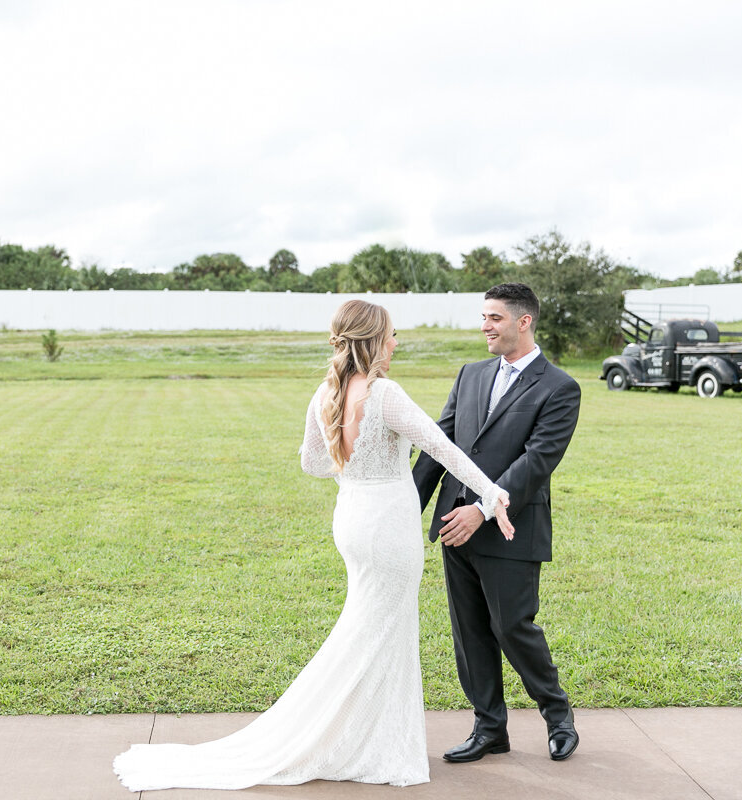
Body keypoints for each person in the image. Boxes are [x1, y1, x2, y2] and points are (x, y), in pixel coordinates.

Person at [114, 299, 513, 791]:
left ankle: (362, 736)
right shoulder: (385, 394)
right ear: (371, 340)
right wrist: (493, 495)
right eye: (390, 335)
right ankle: (358, 743)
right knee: (381, 631)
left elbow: (312, 463)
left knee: (368, 627)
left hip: (352, 517)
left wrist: (356, 469)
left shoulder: (326, 392)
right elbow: (443, 449)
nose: (395, 343)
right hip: (388, 524)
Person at [411, 282, 581, 764]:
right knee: (469, 632)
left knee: (513, 627)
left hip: (509, 528)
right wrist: (408, 509)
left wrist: (481, 508)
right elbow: (438, 447)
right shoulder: (470, 374)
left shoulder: (560, 387)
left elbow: (537, 461)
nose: (484, 326)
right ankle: (490, 729)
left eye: (494, 318)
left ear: (523, 321)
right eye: (483, 317)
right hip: (454, 526)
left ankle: (557, 714)